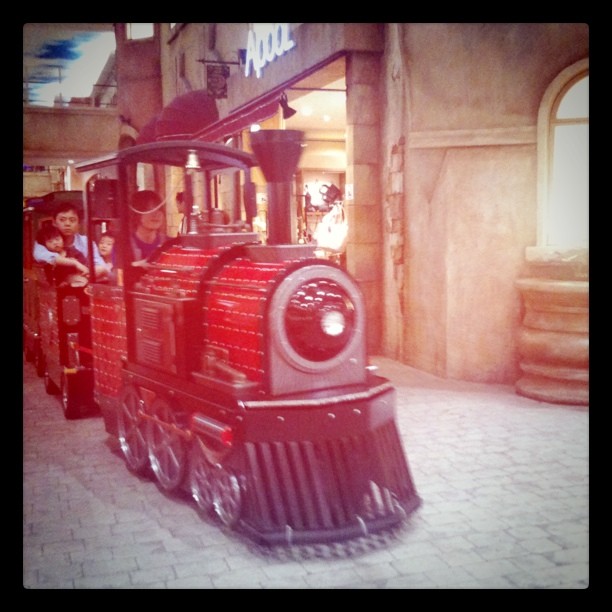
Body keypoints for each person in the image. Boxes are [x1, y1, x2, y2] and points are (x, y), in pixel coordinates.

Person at [33, 202, 110, 280]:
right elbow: (41, 255)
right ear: (54, 222)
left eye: (72, 220)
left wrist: (95, 270)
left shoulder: (86, 242)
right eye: (62, 220)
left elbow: (100, 264)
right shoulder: (45, 239)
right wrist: (74, 263)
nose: (67, 224)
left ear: (78, 223)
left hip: (83, 282)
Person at [130, 190, 167, 266]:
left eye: (159, 209)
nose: (156, 214)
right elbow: (118, 273)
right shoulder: (124, 245)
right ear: (137, 214)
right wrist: (137, 265)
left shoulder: (169, 244)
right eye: (149, 209)